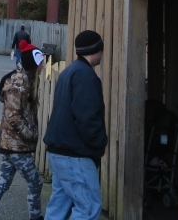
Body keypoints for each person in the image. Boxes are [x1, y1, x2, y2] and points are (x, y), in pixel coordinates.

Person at [43, 29, 108, 220]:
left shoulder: (68, 72)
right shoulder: (85, 76)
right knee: (88, 207)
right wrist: (99, 143)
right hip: (75, 154)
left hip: (57, 151)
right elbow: (87, 117)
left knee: (59, 206)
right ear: (96, 49)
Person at [0, 40, 47, 220]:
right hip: (16, 144)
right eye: (40, 60)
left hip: (12, 143)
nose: (43, 64)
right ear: (33, 61)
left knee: (3, 181)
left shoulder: (28, 78)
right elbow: (13, 116)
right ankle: (36, 217)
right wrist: (30, 134)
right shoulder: (18, 82)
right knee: (35, 182)